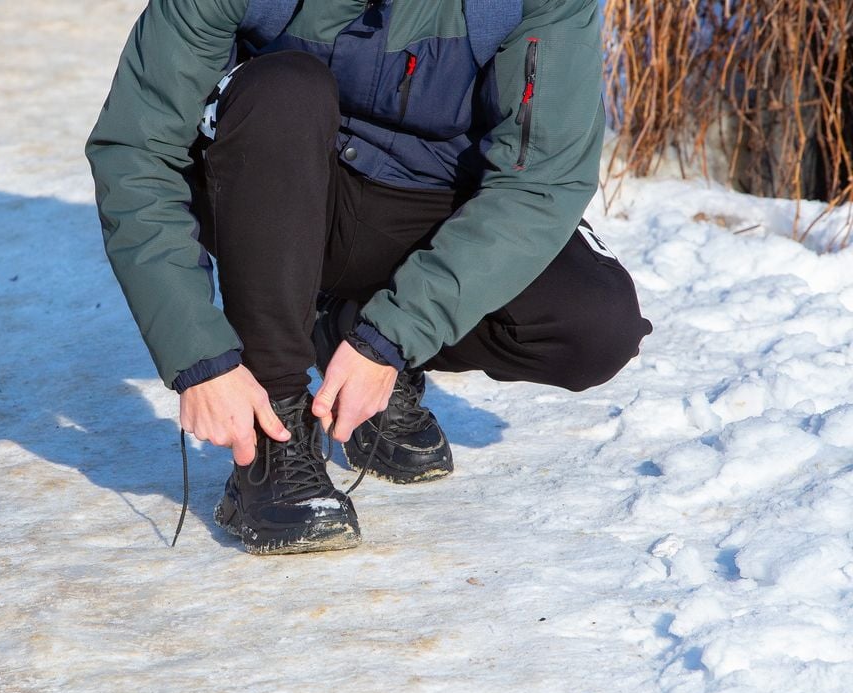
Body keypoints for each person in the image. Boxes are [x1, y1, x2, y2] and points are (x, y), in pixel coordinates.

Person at [85, 0, 652, 555]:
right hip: (268, 186)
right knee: (283, 89)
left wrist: (389, 338)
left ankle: (349, 329)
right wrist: (199, 359)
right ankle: (273, 429)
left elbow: (538, 184)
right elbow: (137, 153)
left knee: (594, 327)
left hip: (425, 199)